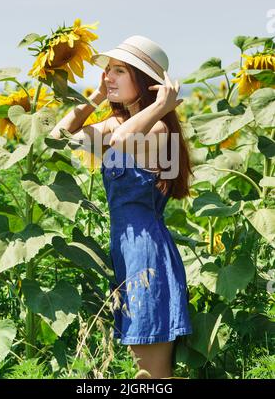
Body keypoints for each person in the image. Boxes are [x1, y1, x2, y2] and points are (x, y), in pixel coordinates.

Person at [50, 35, 193, 379]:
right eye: (107, 71)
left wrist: (161, 106)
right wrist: (97, 97)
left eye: (118, 71)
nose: (107, 77)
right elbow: (58, 137)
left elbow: (121, 142)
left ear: (145, 83)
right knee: (140, 371)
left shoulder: (157, 128)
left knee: (152, 376)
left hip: (147, 254)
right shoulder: (120, 123)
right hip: (127, 252)